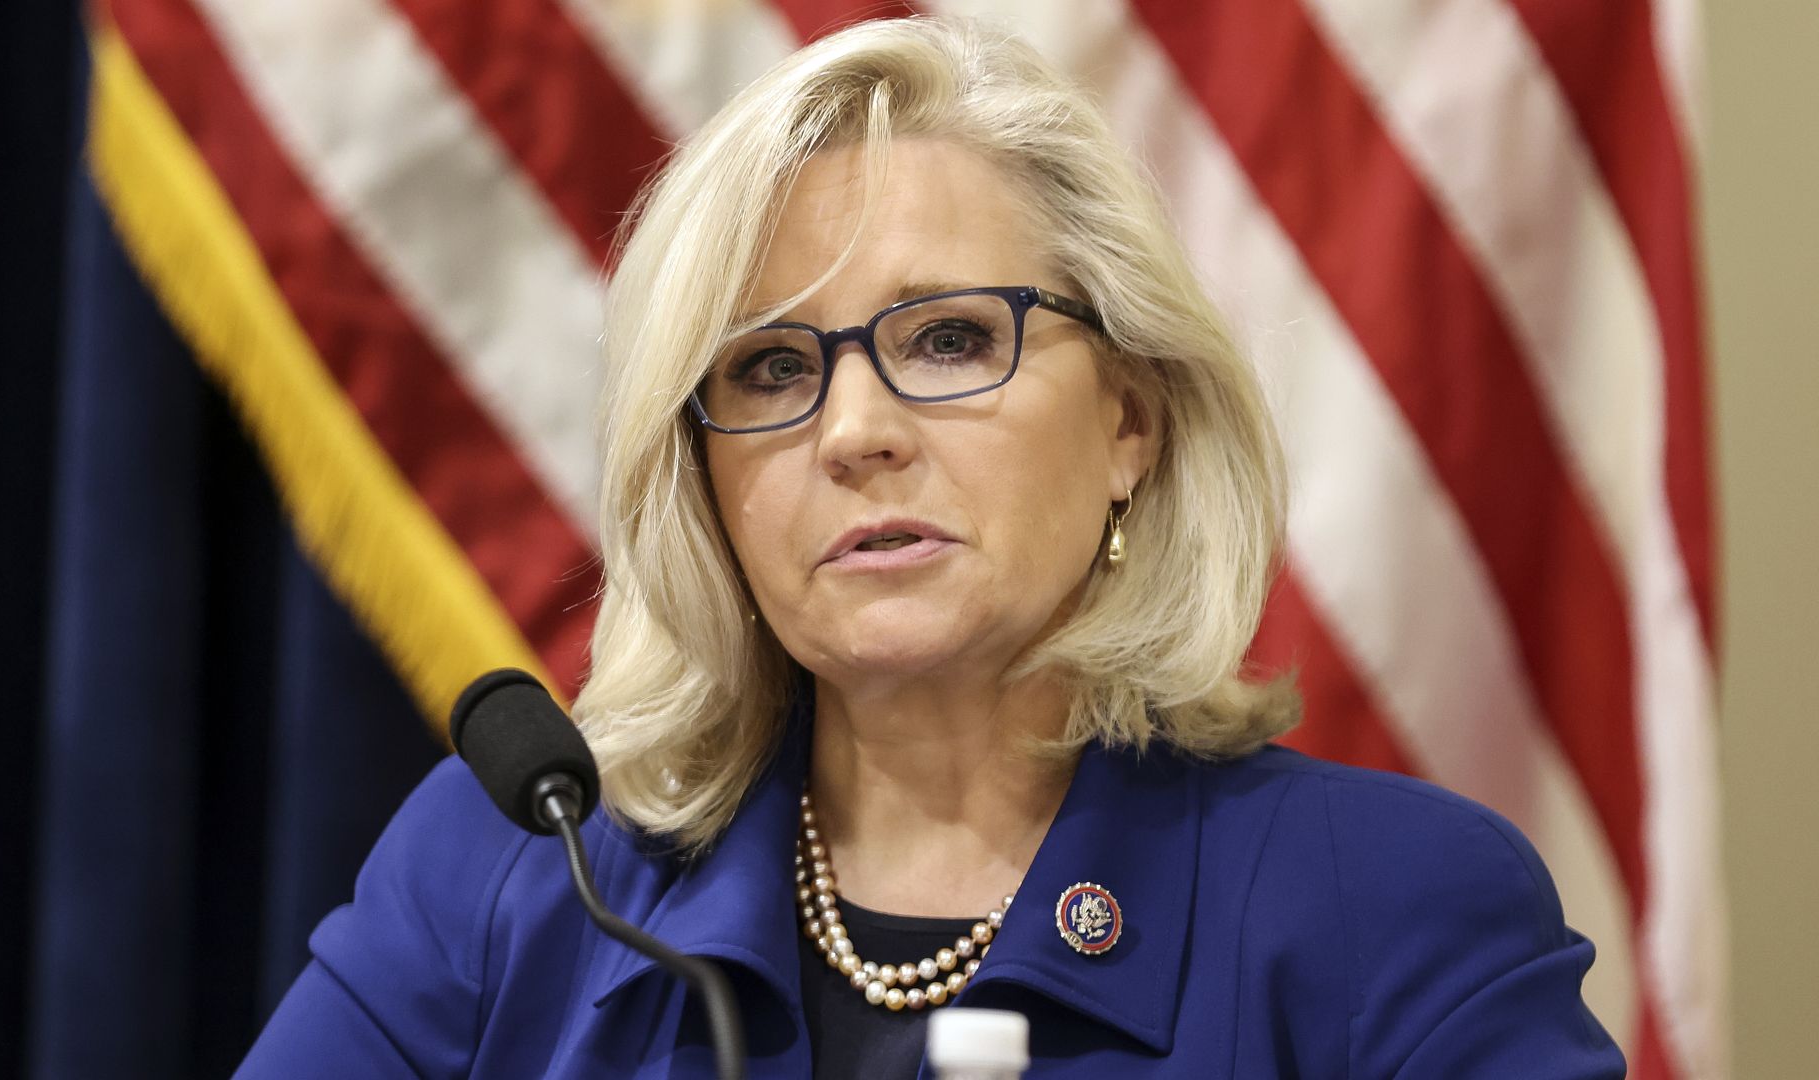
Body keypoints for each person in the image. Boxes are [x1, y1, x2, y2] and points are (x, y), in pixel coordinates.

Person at [239, 17, 1624, 1079]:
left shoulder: (1391, 916)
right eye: (772, 369)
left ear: (1130, 420)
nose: (853, 432)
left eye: (951, 338)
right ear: (704, 476)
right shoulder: (517, 877)